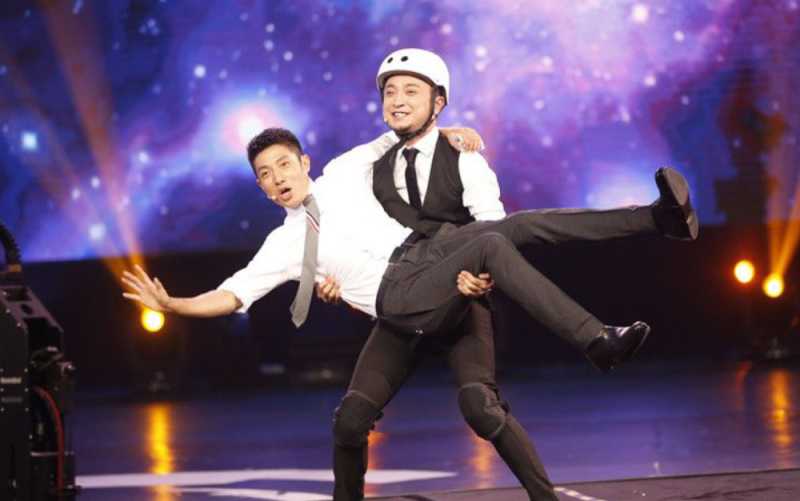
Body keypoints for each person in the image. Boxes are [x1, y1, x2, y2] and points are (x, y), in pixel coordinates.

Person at [122, 126, 698, 500]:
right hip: (397, 300)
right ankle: (598, 339)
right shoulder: (283, 245)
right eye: (265, 176)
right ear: (262, 188)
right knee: (350, 422)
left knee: (510, 233)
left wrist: (452, 133)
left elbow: (399, 134)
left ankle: (656, 220)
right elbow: (231, 294)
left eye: (282, 166)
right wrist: (172, 304)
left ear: (303, 161)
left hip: (428, 260)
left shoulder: (344, 171)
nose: (277, 180)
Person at [320, 48, 697, 501]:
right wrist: (332, 278)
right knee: (350, 420)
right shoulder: (370, 170)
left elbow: (492, 232)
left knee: (481, 406)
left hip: (460, 294)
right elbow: (342, 225)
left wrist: (480, 279)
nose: (397, 100)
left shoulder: (464, 159)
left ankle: (546, 497)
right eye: (390, 92)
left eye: (411, 91)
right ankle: (636, 262)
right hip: (404, 299)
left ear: (438, 102)